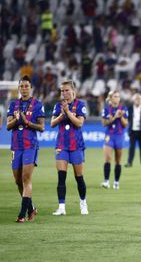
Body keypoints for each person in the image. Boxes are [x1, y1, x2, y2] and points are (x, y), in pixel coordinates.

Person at [6, 75, 45, 222]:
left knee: (26, 178)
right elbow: (8, 126)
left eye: (26, 86)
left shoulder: (37, 104)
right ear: (19, 88)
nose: (24, 89)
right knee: (17, 181)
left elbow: (41, 127)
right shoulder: (13, 104)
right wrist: (17, 120)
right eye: (21, 86)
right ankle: (32, 208)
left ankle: (22, 214)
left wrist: (27, 122)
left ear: (31, 88)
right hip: (16, 146)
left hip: (30, 145)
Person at [51, 80, 88, 216]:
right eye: (62, 91)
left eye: (66, 90)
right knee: (61, 177)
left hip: (76, 145)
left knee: (79, 177)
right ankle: (61, 207)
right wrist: (62, 115)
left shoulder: (80, 105)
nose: (64, 93)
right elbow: (52, 123)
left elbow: (79, 123)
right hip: (61, 145)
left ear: (73, 91)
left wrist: (68, 112)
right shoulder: (58, 106)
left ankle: (83, 202)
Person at [101, 91, 128, 189]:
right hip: (109, 135)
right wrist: (114, 117)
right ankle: (106, 181)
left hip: (119, 136)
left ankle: (116, 182)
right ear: (111, 98)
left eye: (118, 97)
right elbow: (104, 123)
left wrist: (120, 117)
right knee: (108, 158)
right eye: (115, 96)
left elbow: (125, 124)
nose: (117, 98)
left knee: (118, 160)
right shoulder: (106, 109)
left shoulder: (124, 109)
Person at [125, 93, 141, 168]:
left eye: (139, 99)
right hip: (132, 131)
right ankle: (129, 162)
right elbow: (127, 118)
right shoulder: (129, 108)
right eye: (136, 99)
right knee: (131, 147)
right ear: (133, 100)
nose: (138, 100)